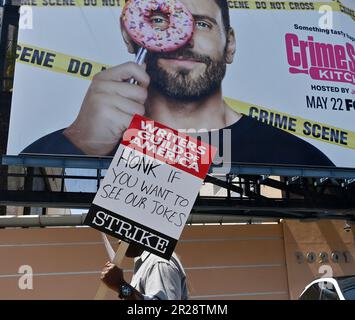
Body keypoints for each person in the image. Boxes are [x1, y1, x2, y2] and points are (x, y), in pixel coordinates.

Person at [21, 0, 334, 168]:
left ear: (230, 44)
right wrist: (78, 144)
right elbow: (20, 183)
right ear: (130, 33)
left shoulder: (297, 157)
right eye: (160, 20)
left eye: (201, 23)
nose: (183, 38)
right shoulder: (78, 141)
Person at [100, 243, 189, 300]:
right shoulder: (146, 262)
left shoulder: (158, 262)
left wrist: (120, 285)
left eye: (125, 230)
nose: (118, 241)